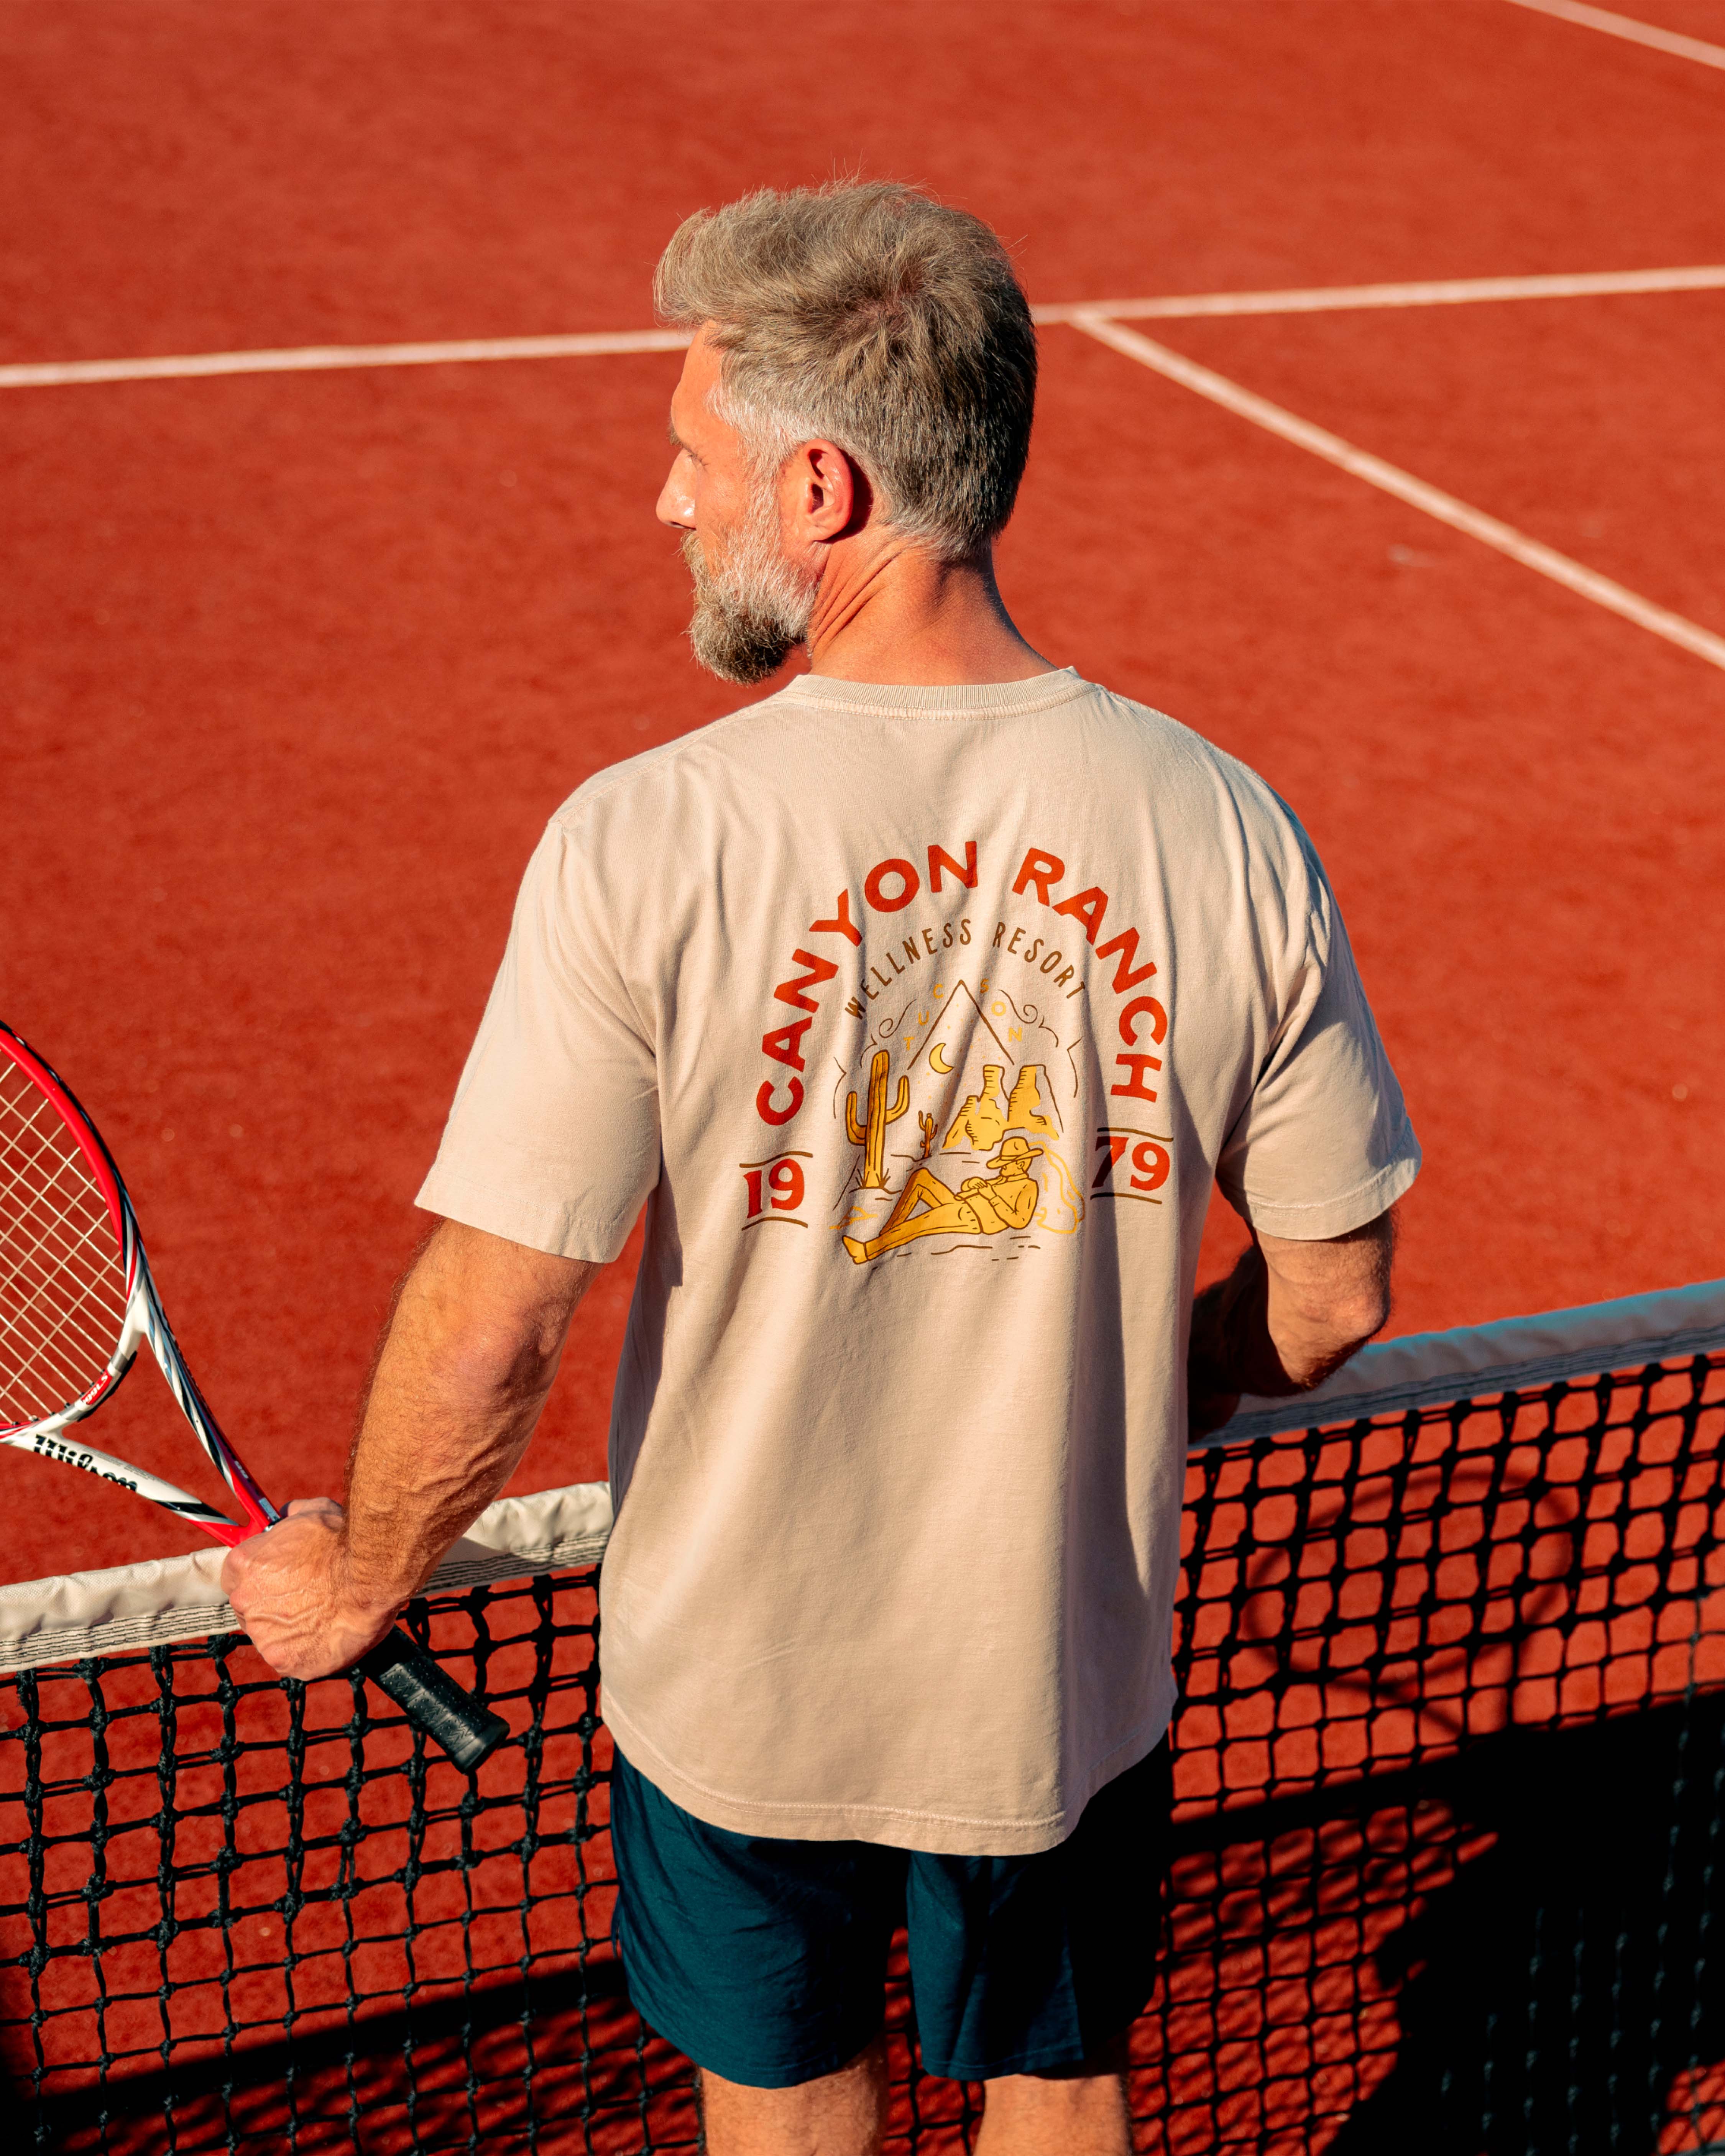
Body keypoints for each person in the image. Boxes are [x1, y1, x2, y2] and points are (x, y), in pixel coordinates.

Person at [224, 181, 1418, 2155]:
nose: (668, 505)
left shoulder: (647, 839)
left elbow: (500, 1315)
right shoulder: (1223, 825)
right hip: (1063, 1682)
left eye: (700, 461)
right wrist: (1184, 1376)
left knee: (785, 2122)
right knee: (1062, 2092)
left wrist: (364, 1573)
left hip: (745, 1693)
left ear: (826, 491)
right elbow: (1340, 1293)